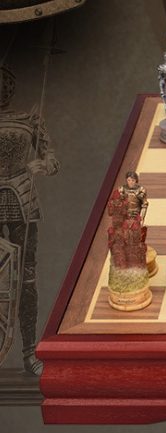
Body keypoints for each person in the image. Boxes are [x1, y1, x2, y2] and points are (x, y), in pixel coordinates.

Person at [0, 63, 59, 374]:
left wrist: (44, 165)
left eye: (5, 82)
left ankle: (28, 353)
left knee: (27, 278)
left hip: (22, 201)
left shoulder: (28, 121)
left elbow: (51, 158)